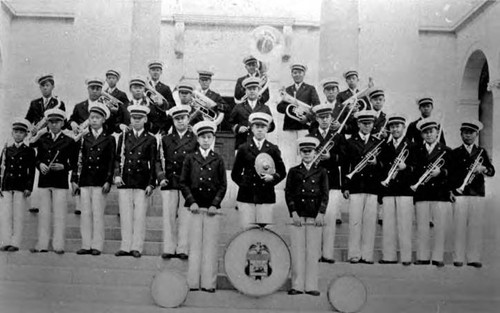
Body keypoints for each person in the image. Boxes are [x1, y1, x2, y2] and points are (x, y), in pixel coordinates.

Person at [180, 121, 227, 293]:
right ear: (198, 139)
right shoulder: (190, 159)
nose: (206, 140)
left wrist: (215, 204)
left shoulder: (219, 159)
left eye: (209, 137)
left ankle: (209, 283)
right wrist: (191, 201)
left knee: (210, 246)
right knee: (195, 246)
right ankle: (192, 282)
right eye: (203, 137)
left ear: (213, 139)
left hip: (211, 210)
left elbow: (223, 185)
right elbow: (183, 182)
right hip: (194, 208)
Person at [30, 108, 78, 254]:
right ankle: (42, 244)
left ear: (63, 123)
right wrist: (40, 165)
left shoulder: (69, 140)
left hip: (60, 182)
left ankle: (58, 244)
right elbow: (36, 158)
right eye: (51, 122)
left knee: (59, 214)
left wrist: (64, 166)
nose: (54, 124)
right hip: (44, 181)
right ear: (48, 123)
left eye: (57, 122)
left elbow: (74, 163)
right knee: (44, 214)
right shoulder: (42, 139)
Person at [71, 103, 115, 256]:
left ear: (103, 120)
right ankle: (86, 244)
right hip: (85, 180)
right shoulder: (84, 137)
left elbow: (111, 161)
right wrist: (74, 179)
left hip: (99, 180)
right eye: (91, 118)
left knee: (97, 214)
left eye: (97, 118)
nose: (94, 120)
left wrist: (108, 180)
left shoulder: (109, 139)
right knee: (86, 213)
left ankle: (97, 245)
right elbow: (77, 160)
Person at [449, 119, 495, 268]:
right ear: (461, 134)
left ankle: (473, 257)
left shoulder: (481, 152)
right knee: (459, 227)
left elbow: (491, 171)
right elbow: (450, 175)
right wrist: (450, 191)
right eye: (465, 133)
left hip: (477, 193)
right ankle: (458, 258)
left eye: (471, 133)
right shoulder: (455, 152)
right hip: (460, 193)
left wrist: (483, 169)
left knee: (475, 227)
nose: (468, 136)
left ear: (476, 134)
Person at [286, 136, 328, 296]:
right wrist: (293, 213)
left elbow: (325, 194)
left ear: (315, 152)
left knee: (312, 251)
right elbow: (288, 193)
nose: (307, 154)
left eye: (310, 151)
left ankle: (311, 285)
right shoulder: (294, 171)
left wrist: (321, 213)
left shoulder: (321, 172)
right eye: (304, 151)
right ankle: (297, 285)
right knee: (297, 250)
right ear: (300, 153)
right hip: (298, 215)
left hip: (313, 215)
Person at [114, 105, 157, 258]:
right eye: (133, 118)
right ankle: (125, 246)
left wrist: (152, 183)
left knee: (139, 216)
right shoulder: (124, 136)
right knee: (125, 215)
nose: (136, 121)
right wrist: (117, 175)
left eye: (139, 118)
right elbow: (117, 158)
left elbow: (154, 162)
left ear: (145, 119)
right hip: (125, 180)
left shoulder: (151, 139)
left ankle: (137, 247)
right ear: (130, 119)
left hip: (141, 181)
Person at [156, 105, 197, 260]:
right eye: (177, 119)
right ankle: (169, 247)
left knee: (185, 217)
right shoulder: (166, 139)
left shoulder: (194, 139)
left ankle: (183, 248)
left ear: (188, 119)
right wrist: (160, 177)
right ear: (173, 121)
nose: (180, 121)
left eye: (183, 118)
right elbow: (158, 160)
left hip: (187, 184)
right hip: (170, 182)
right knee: (169, 217)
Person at [231, 112, 286, 228]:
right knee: (247, 230)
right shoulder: (243, 148)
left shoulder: (273, 149)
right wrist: (245, 184)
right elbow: (235, 174)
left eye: (263, 127)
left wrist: (273, 178)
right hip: (246, 196)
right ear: (252, 128)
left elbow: (282, 172)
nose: (260, 130)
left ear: (268, 129)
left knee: (264, 233)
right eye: (257, 127)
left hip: (266, 195)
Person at [341, 110, 382, 264]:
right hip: (356, 186)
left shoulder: (378, 142)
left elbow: (383, 167)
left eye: (370, 123)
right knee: (355, 222)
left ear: (373, 124)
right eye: (364, 123)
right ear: (358, 124)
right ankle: (354, 254)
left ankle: (367, 255)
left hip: (372, 187)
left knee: (370, 222)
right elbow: (345, 166)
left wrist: (377, 163)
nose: (367, 126)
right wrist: (345, 186)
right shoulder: (350, 141)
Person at [412, 117, 452, 267]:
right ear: (422, 135)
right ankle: (422, 256)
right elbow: (414, 170)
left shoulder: (447, 151)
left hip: (439, 194)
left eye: (431, 131)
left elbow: (452, 172)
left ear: (437, 133)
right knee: (422, 226)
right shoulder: (416, 149)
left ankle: (437, 257)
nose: (429, 135)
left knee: (439, 226)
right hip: (422, 192)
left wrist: (441, 172)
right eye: (425, 132)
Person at [308, 104, 345, 263]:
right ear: (316, 119)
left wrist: (331, 157)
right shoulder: (311, 135)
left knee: (330, 219)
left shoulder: (338, 136)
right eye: (321, 117)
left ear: (331, 118)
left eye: (327, 117)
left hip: (332, 182)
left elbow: (344, 158)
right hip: (315, 183)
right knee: (317, 219)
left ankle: (328, 253)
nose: (324, 120)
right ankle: (315, 253)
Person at [25, 73, 66, 214]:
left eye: (47, 85)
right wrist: (33, 129)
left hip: (50, 137)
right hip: (37, 137)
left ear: (52, 86)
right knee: (37, 165)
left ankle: (52, 202)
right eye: (42, 86)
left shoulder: (58, 103)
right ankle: (35, 202)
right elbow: (28, 119)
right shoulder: (34, 103)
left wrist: (48, 129)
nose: (45, 88)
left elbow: (62, 123)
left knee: (50, 165)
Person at [378, 113, 414, 265]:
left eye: (397, 126)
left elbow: (416, 168)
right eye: (392, 127)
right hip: (389, 189)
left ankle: (406, 257)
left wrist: (406, 167)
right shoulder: (385, 146)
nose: (395, 129)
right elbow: (381, 168)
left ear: (403, 128)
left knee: (405, 225)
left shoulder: (412, 145)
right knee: (388, 225)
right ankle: (389, 256)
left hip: (405, 189)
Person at [0, 119, 36, 252]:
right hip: (7, 185)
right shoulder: (6, 150)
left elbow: (31, 171)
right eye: (16, 132)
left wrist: (29, 187)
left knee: (18, 214)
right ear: (12, 133)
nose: (18, 135)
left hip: (21, 185)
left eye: (21, 132)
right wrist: (0, 186)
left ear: (26, 135)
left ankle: (15, 242)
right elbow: (1, 168)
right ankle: (6, 241)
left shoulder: (29, 151)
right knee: (6, 214)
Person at [276, 63, 320, 166]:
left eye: (300, 72)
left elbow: (316, 106)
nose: (297, 75)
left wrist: (307, 118)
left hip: (303, 126)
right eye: (295, 72)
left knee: (304, 154)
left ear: (304, 74)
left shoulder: (310, 89)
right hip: (290, 126)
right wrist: (290, 107)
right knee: (289, 156)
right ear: (291, 74)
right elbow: (279, 107)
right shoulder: (287, 90)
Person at [229, 77, 275, 150]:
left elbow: (272, 126)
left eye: (254, 89)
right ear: (245, 91)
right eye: (249, 89)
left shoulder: (265, 108)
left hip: (260, 145)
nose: (252, 91)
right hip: (242, 144)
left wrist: (262, 128)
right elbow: (230, 123)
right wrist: (238, 128)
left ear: (259, 90)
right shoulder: (238, 107)